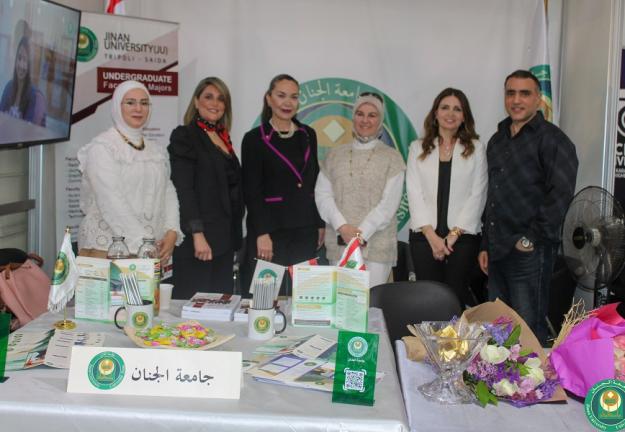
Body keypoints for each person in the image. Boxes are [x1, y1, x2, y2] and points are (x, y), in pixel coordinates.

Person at [479, 70, 578, 345]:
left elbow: (561, 194)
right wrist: (485, 244)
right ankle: (501, 375)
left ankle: (534, 375)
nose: (516, 100)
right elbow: (492, 196)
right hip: (497, 250)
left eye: (525, 93)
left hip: (530, 252)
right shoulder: (497, 140)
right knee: (498, 329)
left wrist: (530, 239)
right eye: (511, 93)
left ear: (537, 99)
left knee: (528, 329)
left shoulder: (553, 139)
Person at [78, 80, 182, 262]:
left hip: (152, 251)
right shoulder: (102, 148)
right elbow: (111, 201)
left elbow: (168, 191)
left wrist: (172, 231)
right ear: (117, 106)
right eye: (130, 102)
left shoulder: (156, 150)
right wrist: (146, 245)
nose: (138, 109)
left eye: (144, 103)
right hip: (108, 250)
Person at [241, 74, 324, 296]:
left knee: (304, 298)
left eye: (294, 97)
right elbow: (252, 190)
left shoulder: (308, 134)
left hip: (305, 229)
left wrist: (319, 223)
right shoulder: (254, 139)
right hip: (271, 231)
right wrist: (262, 233)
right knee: (264, 298)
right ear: (269, 99)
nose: (288, 102)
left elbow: (314, 181)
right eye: (281, 95)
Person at [406, 88, 487, 307]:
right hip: (424, 237)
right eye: (444, 107)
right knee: (428, 301)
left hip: (463, 238)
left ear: (464, 116)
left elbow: (478, 194)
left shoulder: (476, 148)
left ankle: (455, 333)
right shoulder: (417, 148)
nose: (450, 113)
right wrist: (432, 237)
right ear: (435, 113)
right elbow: (414, 193)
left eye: (457, 109)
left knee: (455, 299)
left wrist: (452, 236)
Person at [315, 92, 405, 287]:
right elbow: (322, 195)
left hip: (377, 247)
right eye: (360, 114)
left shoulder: (392, 158)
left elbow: (388, 205)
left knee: (371, 302)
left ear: (380, 121)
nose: (365, 120)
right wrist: (342, 227)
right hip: (339, 244)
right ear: (353, 118)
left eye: (372, 115)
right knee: (340, 301)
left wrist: (359, 235)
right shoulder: (334, 155)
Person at [168, 77, 244, 298]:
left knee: (221, 307)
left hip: (224, 241)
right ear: (196, 101)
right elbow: (184, 189)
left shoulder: (223, 137)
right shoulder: (185, 136)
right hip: (198, 242)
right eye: (208, 97)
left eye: (221, 99)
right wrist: (197, 234)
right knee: (193, 308)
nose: (215, 103)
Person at [0, 36, 46, 126]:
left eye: (25, 60)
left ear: (30, 64)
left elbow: (28, 131)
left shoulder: (35, 97)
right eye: (19, 58)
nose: (21, 65)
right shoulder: (9, 87)